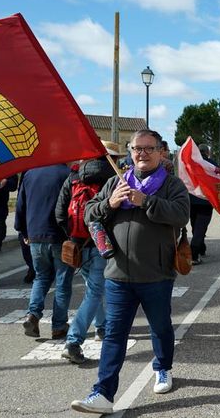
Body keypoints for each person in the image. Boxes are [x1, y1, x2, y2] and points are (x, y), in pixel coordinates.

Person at [71, 129, 190, 415]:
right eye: (137, 148)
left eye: (149, 149)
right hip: (118, 275)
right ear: (130, 151)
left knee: (160, 327)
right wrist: (110, 203)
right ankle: (103, 393)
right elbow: (89, 213)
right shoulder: (115, 182)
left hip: (156, 275)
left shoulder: (171, 185)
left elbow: (180, 214)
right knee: (114, 335)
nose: (142, 154)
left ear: (161, 152)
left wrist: (145, 201)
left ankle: (162, 368)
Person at [55, 141, 122, 364]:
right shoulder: (114, 179)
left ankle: (102, 327)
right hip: (102, 244)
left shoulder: (73, 177)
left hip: (77, 244)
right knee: (94, 292)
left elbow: (60, 213)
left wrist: (74, 236)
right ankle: (73, 342)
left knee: (93, 290)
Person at [16, 163, 74, 339]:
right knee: (63, 281)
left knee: (41, 277)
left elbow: (21, 204)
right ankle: (58, 325)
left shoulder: (29, 172)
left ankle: (32, 314)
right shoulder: (68, 173)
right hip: (61, 235)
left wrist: (23, 231)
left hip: (35, 234)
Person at [189, 144, 217, 265]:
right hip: (205, 201)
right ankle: (194, 254)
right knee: (200, 227)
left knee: (195, 226)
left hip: (191, 199)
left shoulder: (190, 163)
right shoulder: (211, 163)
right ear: (207, 152)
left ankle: (201, 248)